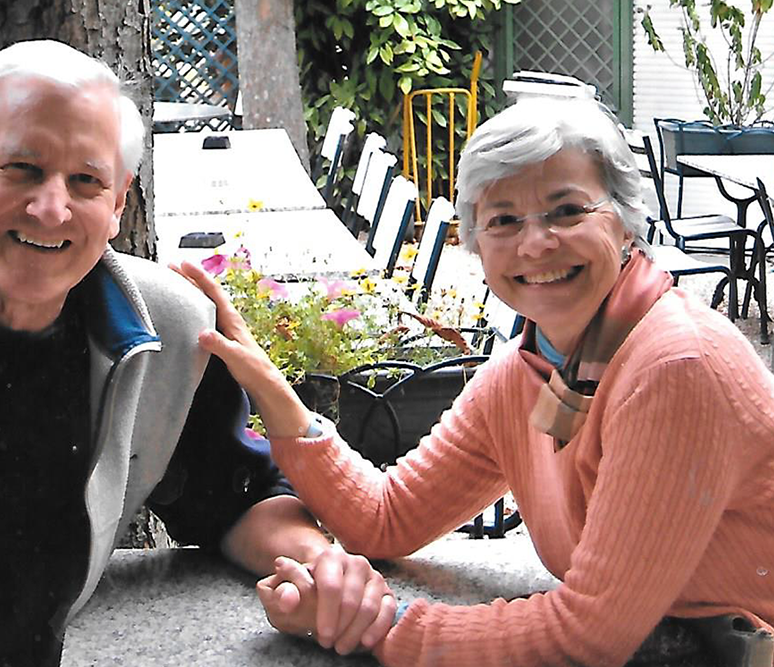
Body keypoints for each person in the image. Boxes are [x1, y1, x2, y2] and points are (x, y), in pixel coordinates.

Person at [0, 40, 397, 666]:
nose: (51, 208)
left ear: (120, 201)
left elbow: (234, 496)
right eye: (21, 169)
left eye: (85, 181)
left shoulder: (165, 334)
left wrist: (324, 571)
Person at [177, 96, 774, 667]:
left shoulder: (673, 369)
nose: (536, 242)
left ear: (624, 223)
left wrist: (375, 625)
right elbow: (387, 517)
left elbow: (588, 635)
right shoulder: (529, 371)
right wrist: (270, 388)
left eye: (567, 211)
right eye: (504, 220)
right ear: (478, 246)